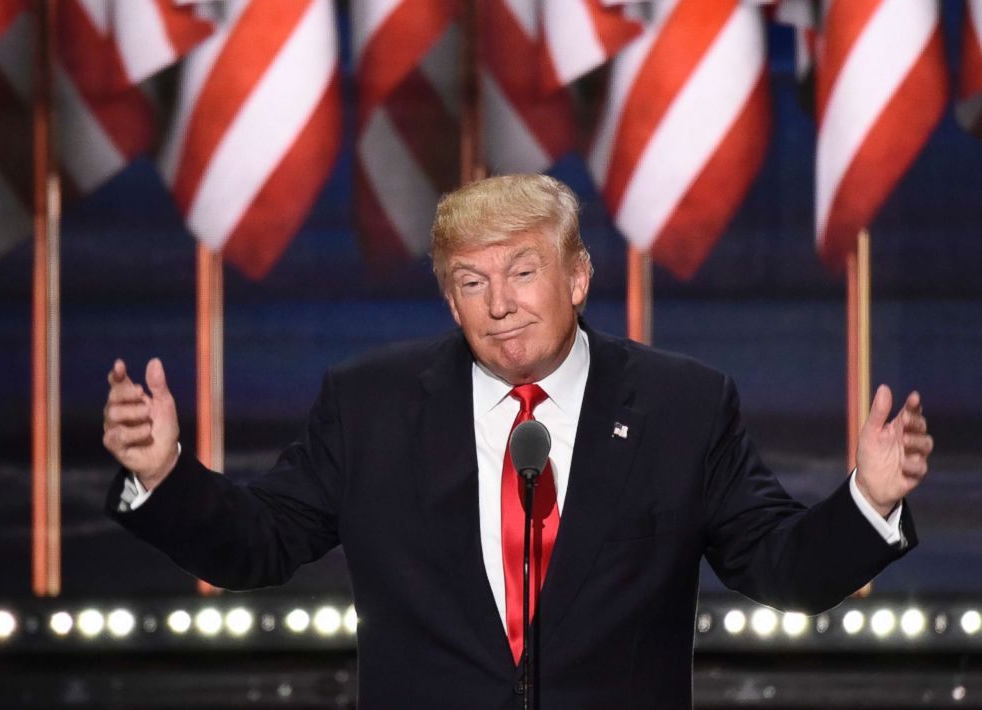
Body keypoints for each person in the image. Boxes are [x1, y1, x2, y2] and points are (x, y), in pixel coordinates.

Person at [103, 174, 932, 708]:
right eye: (472, 281)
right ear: (450, 303)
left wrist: (870, 502)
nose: (499, 303)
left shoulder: (683, 405)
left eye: (523, 271)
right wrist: (164, 474)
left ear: (576, 278)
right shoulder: (371, 406)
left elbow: (778, 567)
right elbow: (262, 544)